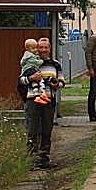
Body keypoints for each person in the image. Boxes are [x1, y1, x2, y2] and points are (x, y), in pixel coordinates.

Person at [20, 39, 63, 169]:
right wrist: (31, 78)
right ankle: (32, 160)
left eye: (46, 47)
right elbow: (21, 80)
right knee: (32, 130)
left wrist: (56, 84)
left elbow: (61, 82)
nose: (43, 50)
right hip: (32, 99)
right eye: (41, 47)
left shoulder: (55, 64)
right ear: (36, 49)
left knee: (46, 130)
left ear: (50, 48)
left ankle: (44, 158)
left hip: (48, 100)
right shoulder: (30, 62)